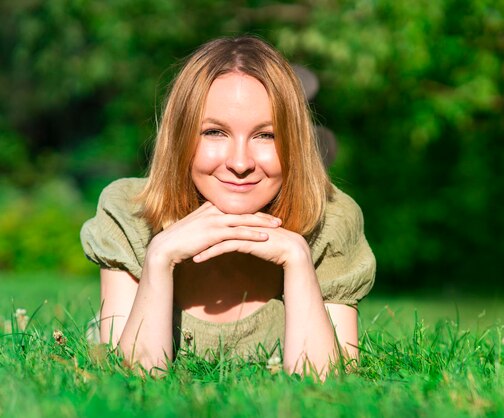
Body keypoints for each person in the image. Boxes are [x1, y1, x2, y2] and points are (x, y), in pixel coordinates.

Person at [80, 36, 375, 377]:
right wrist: (159, 257)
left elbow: (326, 383)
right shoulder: (129, 212)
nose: (239, 162)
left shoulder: (331, 220)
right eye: (215, 132)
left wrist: (297, 259)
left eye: (267, 136)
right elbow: (135, 376)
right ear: (181, 137)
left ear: (294, 142)